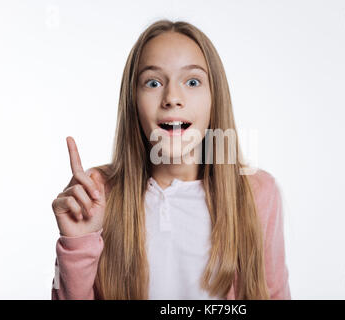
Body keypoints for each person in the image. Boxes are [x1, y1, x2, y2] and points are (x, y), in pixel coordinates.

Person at [51, 19, 291, 300]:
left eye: (192, 81)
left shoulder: (258, 192)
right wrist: (78, 244)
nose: (172, 98)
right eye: (153, 82)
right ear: (133, 101)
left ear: (215, 98)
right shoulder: (99, 193)